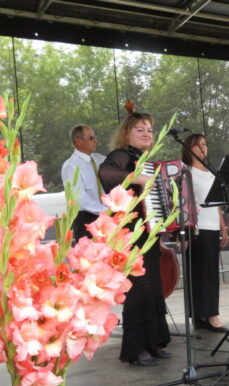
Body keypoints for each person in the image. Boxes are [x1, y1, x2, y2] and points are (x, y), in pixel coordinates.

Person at [98, 109, 170, 367]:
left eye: (149, 130)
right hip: (129, 231)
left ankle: (153, 341)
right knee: (138, 287)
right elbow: (106, 173)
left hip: (146, 231)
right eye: (140, 129)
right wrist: (140, 178)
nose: (147, 133)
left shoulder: (145, 159)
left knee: (153, 286)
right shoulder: (121, 155)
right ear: (126, 134)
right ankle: (136, 348)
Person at [181, 134, 229, 333]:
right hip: (198, 227)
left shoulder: (211, 172)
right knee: (201, 272)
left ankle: (205, 313)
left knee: (210, 271)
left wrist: (223, 226)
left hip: (213, 225)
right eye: (198, 145)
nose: (203, 148)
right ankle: (208, 314)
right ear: (189, 148)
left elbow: (216, 203)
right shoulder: (187, 172)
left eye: (204, 144)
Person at [61, 125, 107, 242]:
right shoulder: (71, 166)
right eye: (91, 138)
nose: (95, 141)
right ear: (79, 142)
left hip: (105, 218)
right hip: (86, 219)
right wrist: (106, 210)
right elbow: (79, 199)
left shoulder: (100, 159)